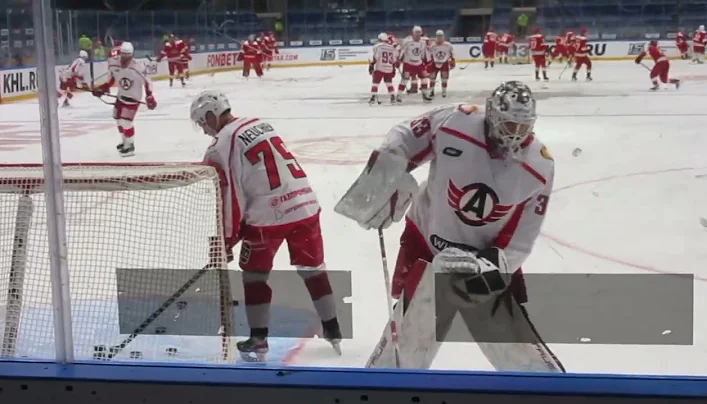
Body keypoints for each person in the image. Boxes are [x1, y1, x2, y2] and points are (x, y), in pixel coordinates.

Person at [334, 81, 563, 372]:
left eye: (522, 127)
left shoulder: (539, 166)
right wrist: (387, 173)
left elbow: (522, 236)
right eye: (508, 124)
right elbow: (406, 137)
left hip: (484, 261)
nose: (514, 135)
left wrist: (493, 265)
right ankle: (389, 383)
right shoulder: (455, 121)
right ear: (491, 114)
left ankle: (540, 392)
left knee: (518, 355)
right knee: (408, 340)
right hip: (427, 242)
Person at [189, 90, 342, 362]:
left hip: (268, 217)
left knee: (255, 275)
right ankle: (333, 328)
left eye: (203, 123)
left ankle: (258, 339)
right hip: (305, 204)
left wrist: (226, 240)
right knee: (312, 269)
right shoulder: (259, 123)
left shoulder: (218, 147)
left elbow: (230, 198)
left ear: (211, 116)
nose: (203, 131)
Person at [92, 42, 156, 156]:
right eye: (123, 54)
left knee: (126, 121)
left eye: (128, 55)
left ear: (132, 55)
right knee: (117, 118)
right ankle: (124, 141)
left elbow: (147, 81)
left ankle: (130, 145)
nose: (125, 58)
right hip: (121, 95)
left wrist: (149, 95)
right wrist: (102, 88)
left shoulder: (138, 66)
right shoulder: (113, 62)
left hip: (134, 96)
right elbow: (111, 79)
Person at [368, 32, 398, 105]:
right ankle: (393, 97)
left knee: (375, 83)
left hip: (380, 67)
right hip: (389, 68)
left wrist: (371, 65)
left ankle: (373, 97)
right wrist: (393, 69)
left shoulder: (377, 46)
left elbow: (376, 57)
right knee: (389, 83)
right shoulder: (391, 47)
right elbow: (394, 60)